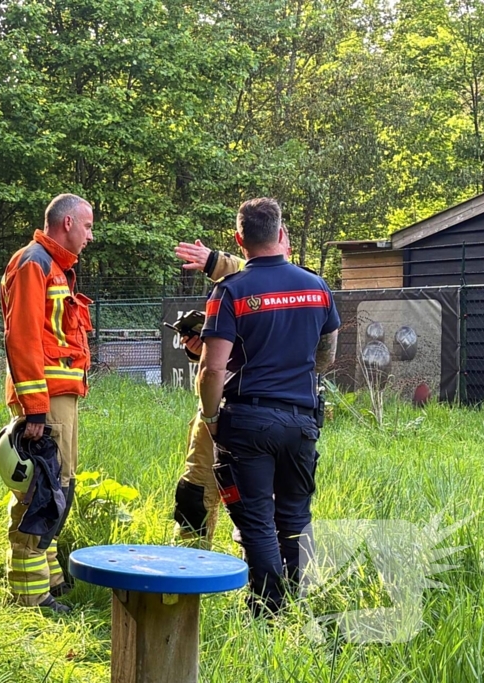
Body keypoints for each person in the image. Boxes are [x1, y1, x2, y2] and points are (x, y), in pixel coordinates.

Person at [197, 198, 338, 616]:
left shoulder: (230, 291)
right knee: (295, 516)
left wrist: (210, 418)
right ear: (280, 235)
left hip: (248, 421)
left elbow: (211, 369)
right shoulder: (317, 286)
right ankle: (296, 604)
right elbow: (327, 354)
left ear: (240, 241)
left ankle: (267, 611)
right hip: (301, 421)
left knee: (256, 520)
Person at [0, 193, 94, 613]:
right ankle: (29, 596)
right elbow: (21, 338)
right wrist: (34, 407)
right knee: (41, 489)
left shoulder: (54, 266)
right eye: (88, 226)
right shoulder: (33, 263)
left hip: (60, 398)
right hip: (46, 402)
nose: (92, 235)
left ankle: (50, 580)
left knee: (60, 485)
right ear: (68, 223)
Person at [171, 229, 290, 547]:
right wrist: (199, 350)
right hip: (218, 407)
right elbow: (217, 359)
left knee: (262, 508)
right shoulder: (235, 290)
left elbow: (255, 271)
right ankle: (186, 577)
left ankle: (263, 589)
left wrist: (215, 261)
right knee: (194, 495)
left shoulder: (298, 285)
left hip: (261, 415)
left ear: (282, 241)